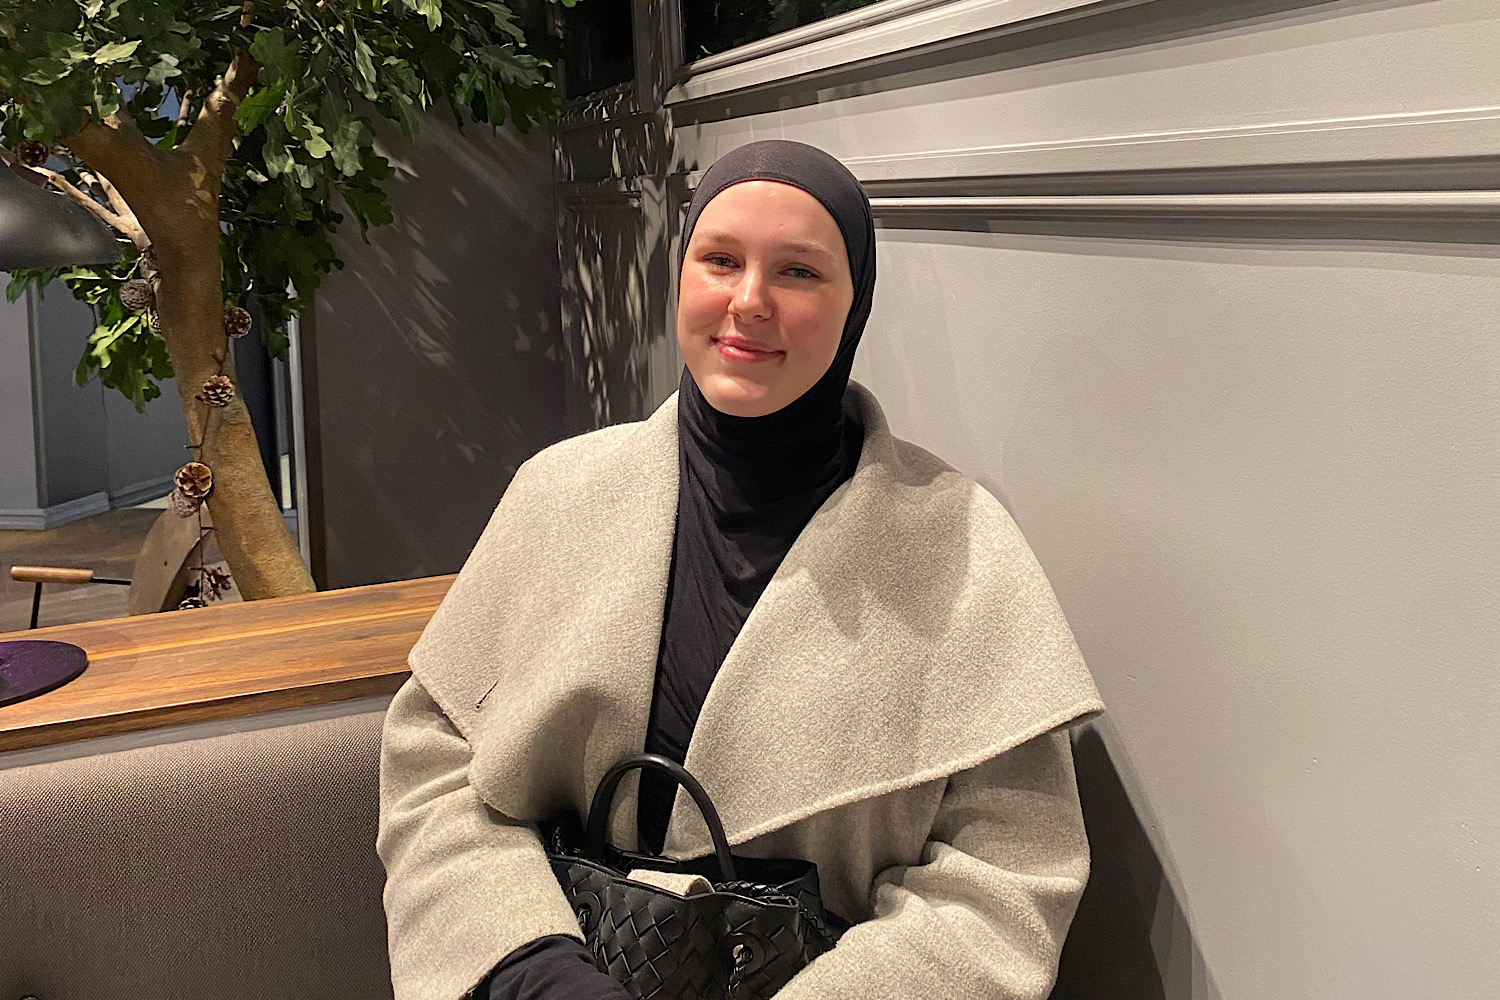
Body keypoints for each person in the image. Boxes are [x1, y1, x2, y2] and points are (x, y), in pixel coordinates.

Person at [376, 140, 1104, 1000]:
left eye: (798, 271)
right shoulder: (557, 494)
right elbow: (436, 766)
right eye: (719, 260)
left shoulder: (962, 544)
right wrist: (530, 969)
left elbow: (1006, 877)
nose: (749, 301)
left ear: (856, 306)